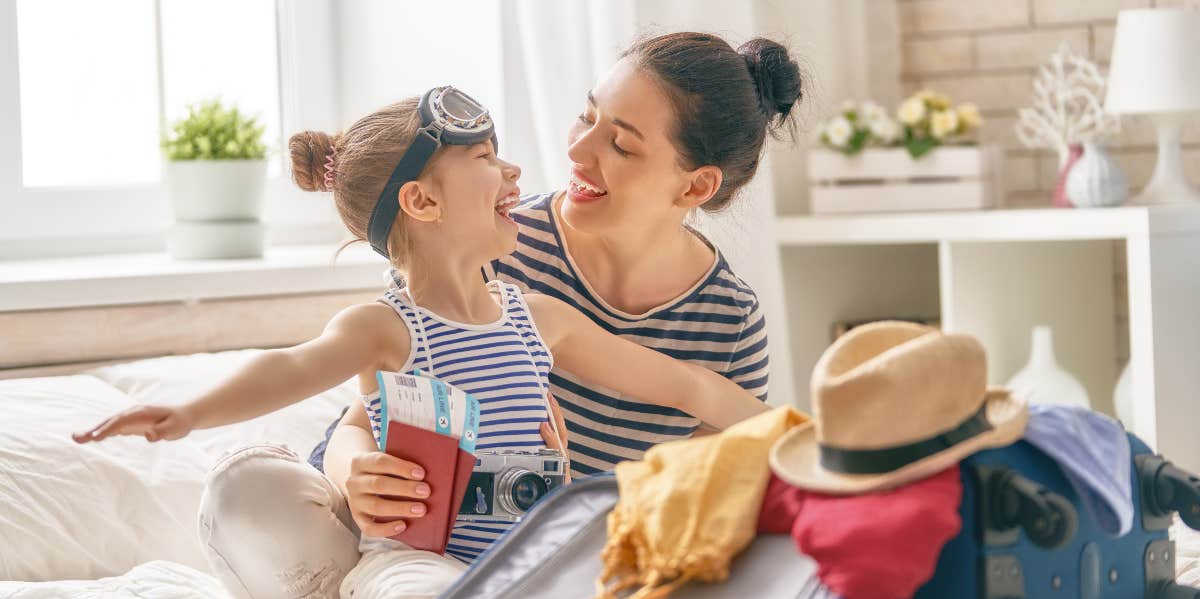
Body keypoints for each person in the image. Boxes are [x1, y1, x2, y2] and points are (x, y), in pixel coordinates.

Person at [73, 81, 774, 598]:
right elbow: (290, 368)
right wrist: (190, 413)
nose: (514, 174)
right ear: (423, 201)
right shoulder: (387, 327)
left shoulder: (537, 317)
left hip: (529, 557)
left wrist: (812, 433)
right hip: (416, 561)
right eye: (485, 158)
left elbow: (686, 384)